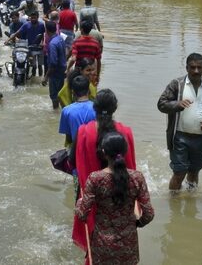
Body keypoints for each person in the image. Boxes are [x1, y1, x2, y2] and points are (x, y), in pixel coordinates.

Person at [70, 89, 136, 253]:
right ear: (115, 108)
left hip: (91, 195)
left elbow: (72, 162)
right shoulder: (125, 132)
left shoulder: (84, 132)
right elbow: (131, 168)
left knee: (93, 243)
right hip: (120, 194)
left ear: (95, 108)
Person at [75, 132, 154, 265]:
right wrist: (137, 224)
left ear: (104, 152)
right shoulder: (137, 177)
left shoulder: (95, 178)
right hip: (128, 242)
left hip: (103, 244)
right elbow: (149, 214)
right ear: (125, 150)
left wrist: (79, 202)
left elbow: (82, 214)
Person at [157, 53, 202, 191]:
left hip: (201, 138)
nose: (196, 71)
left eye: (199, 67)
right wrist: (177, 104)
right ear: (187, 68)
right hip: (179, 137)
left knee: (194, 171)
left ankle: (191, 201)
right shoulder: (177, 85)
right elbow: (161, 104)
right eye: (192, 67)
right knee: (179, 173)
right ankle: (174, 204)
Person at [58, 75, 95, 146]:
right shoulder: (97, 108)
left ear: (73, 92)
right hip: (92, 149)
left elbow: (68, 137)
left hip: (76, 150)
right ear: (89, 91)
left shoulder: (66, 110)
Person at [42, 21, 67, 109]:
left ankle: (55, 112)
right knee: (60, 93)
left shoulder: (52, 44)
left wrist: (46, 77)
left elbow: (53, 63)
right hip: (62, 70)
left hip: (55, 73)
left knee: (54, 96)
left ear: (47, 30)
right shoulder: (60, 38)